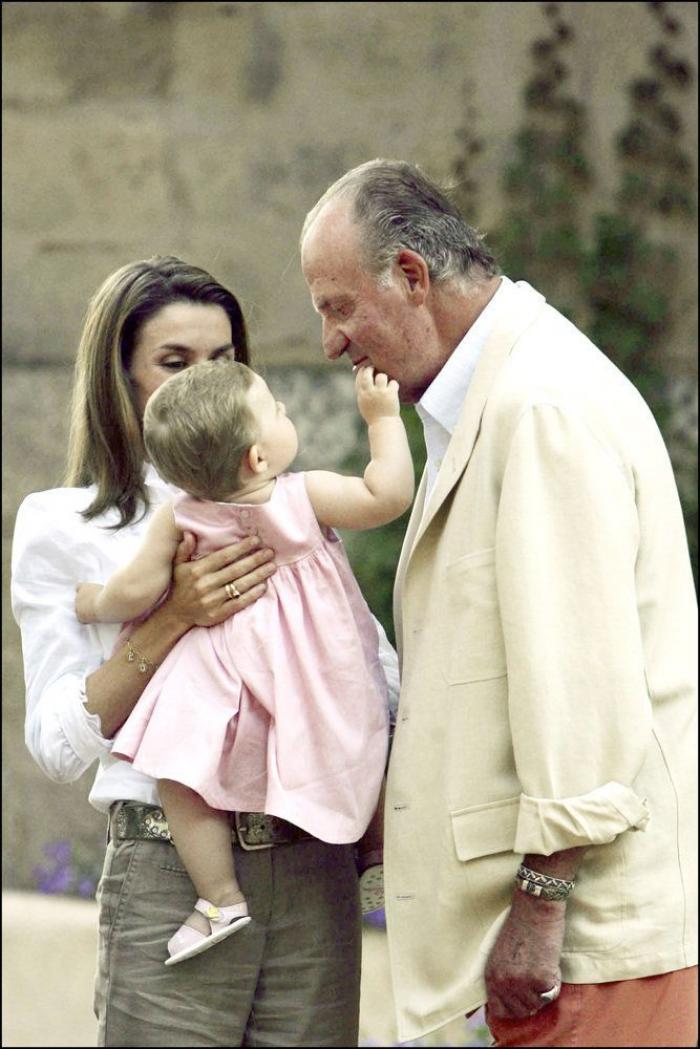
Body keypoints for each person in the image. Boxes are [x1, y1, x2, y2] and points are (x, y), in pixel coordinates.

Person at [299, 160, 698, 1048]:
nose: (330, 341)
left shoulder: (540, 404)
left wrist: (543, 905)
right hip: (536, 959)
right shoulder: (496, 394)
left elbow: (582, 683)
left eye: (337, 306)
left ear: (409, 276)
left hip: (583, 958)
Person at [11, 255, 401, 1047]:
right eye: (174, 362)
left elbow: (367, 664)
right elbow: (56, 742)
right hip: (170, 871)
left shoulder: (285, 497)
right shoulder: (62, 525)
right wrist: (171, 617)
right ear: (119, 381)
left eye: (224, 359)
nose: (204, 380)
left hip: (312, 867)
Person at [74, 357, 413, 966]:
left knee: (179, 770)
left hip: (221, 674)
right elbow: (386, 495)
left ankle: (218, 897)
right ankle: (376, 851)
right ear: (258, 457)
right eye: (277, 409)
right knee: (365, 733)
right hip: (313, 668)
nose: (286, 412)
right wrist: (382, 419)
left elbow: (134, 590)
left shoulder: (178, 515)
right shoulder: (302, 495)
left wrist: (94, 600)